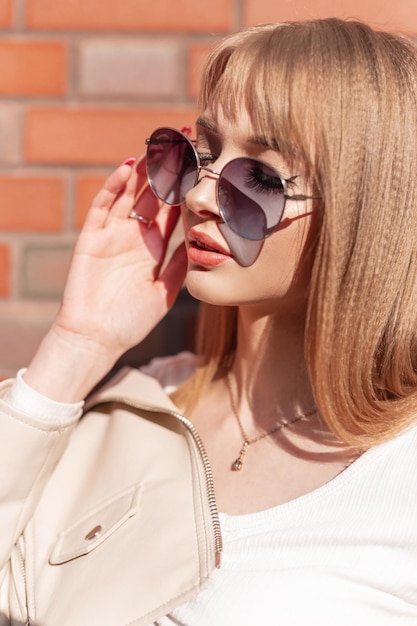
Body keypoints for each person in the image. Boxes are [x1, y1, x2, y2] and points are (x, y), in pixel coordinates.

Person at [1, 16, 417, 626]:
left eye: (260, 178)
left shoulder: (399, 471)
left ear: (366, 211)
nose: (199, 197)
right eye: (201, 154)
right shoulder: (139, 407)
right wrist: (77, 344)